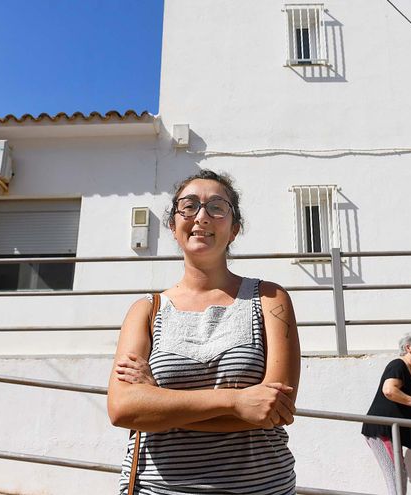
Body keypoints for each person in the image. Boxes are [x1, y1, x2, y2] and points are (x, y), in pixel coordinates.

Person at [107, 169, 300, 495]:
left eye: (217, 207)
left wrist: (159, 405)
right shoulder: (145, 310)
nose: (202, 216)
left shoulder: (270, 299)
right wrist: (236, 401)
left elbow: (272, 410)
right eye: (189, 205)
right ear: (173, 224)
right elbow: (124, 409)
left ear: (234, 229)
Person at [361, 332, 411, 495]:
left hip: (392, 431)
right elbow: (389, 390)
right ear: (408, 347)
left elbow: (404, 401)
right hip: (382, 430)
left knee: (399, 476)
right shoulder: (398, 365)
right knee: (396, 477)